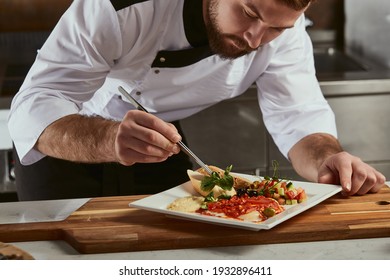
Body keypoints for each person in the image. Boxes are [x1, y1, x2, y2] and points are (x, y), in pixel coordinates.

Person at [8, 0, 386, 201]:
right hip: (69, 142)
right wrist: (109, 139)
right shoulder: (120, 7)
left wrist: (327, 159)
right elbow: (34, 106)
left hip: (162, 144)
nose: (256, 39)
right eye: (248, 13)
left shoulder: (282, 32)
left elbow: (298, 117)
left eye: (274, 27)